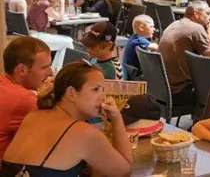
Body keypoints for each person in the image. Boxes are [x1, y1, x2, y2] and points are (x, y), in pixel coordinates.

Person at [1, 62, 133, 177]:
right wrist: (116, 118)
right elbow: (124, 171)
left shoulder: (34, 115)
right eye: (96, 89)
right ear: (71, 93)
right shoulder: (84, 133)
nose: (103, 97)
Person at [0, 37, 53, 160]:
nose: (50, 73)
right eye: (44, 67)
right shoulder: (24, 99)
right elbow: (54, 137)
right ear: (22, 70)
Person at [158, 1, 210, 101]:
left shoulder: (173, 24)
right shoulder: (196, 28)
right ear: (196, 14)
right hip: (180, 90)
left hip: (162, 88)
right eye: (207, 13)